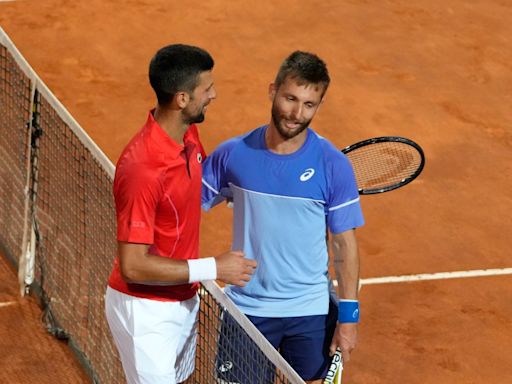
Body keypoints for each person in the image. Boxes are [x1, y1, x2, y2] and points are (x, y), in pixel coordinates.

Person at [202, 51, 364, 383]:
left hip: (309, 311)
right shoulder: (233, 155)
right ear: (273, 90)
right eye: (291, 98)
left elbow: (344, 245)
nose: (296, 113)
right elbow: (185, 208)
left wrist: (348, 319)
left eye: (309, 104)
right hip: (248, 309)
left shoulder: (332, 164)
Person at [105, 44, 257, 384]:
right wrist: (214, 268)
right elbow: (133, 264)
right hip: (146, 312)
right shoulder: (143, 168)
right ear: (182, 99)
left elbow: (191, 189)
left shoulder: (187, 134)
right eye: (207, 89)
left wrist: (240, 196)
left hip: (184, 299)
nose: (214, 95)